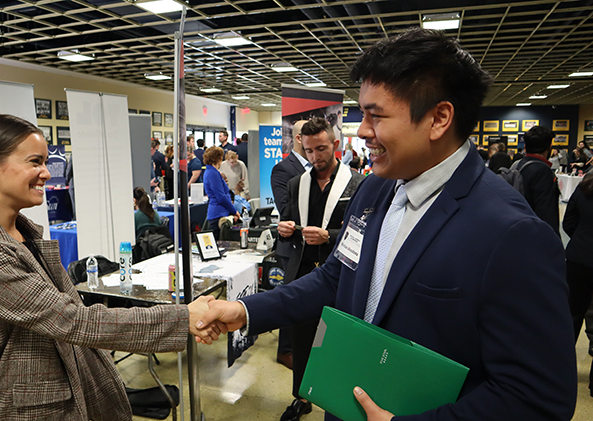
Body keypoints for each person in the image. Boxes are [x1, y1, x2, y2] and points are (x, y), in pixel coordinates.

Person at [197, 28, 576, 421]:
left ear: (439, 118)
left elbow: (538, 398)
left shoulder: (513, 234)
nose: (361, 130)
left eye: (376, 116)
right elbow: (335, 279)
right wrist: (245, 311)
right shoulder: (375, 190)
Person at [0, 114, 222, 420]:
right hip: (27, 410)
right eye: (35, 162)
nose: (46, 173)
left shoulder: (22, 234)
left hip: (69, 391)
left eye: (45, 162)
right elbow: (69, 319)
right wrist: (182, 318)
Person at [275, 117, 363, 421]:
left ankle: (337, 401)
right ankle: (301, 396)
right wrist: (283, 228)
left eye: (321, 149)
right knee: (301, 342)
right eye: (309, 150)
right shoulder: (296, 183)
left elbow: (365, 233)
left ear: (335, 145)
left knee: (337, 344)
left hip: (340, 276)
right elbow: (285, 224)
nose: (315, 157)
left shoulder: (357, 183)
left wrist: (331, 236)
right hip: (302, 274)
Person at [270, 119, 310, 370]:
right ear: (298, 139)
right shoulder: (284, 169)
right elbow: (285, 208)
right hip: (292, 244)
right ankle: (285, 350)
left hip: (312, 245)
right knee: (289, 298)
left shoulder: (320, 168)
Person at [562, 172, 593, 397]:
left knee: (571, 315)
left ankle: (561, 371)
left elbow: (568, 222)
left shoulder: (584, 187)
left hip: (579, 258)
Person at [516, 125, 561, 236]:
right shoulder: (543, 171)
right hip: (535, 234)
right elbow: (547, 212)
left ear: (526, 146)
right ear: (549, 147)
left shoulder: (518, 165)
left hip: (518, 227)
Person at [203, 146, 240, 239]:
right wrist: (234, 211)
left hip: (218, 212)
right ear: (218, 159)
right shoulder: (213, 173)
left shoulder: (210, 172)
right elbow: (221, 197)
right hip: (218, 214)